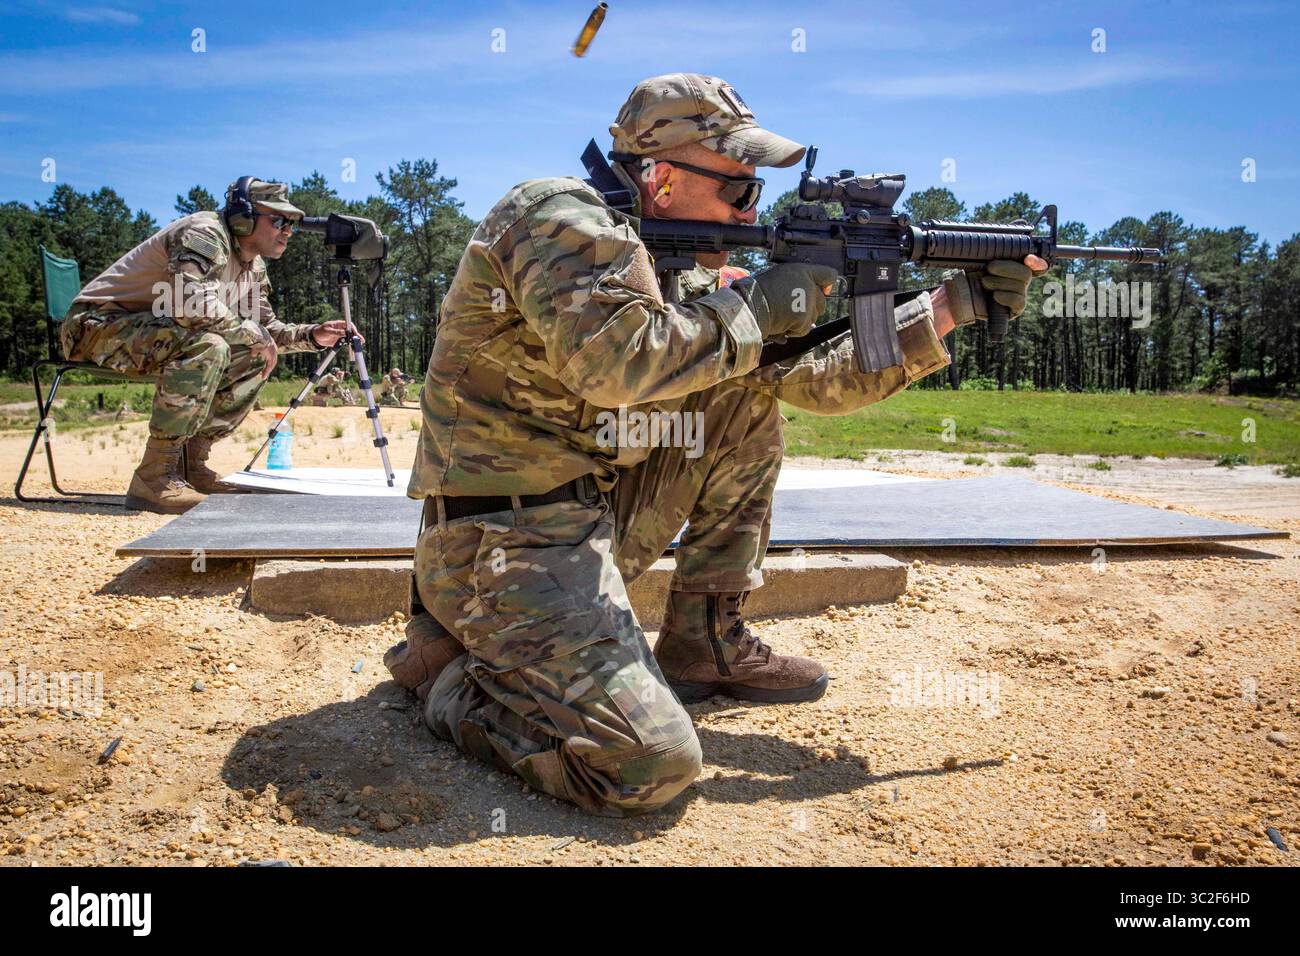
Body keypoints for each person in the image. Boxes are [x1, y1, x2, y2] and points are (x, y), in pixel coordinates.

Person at [384, 74, 1046, 816]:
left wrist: (950, 307)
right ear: (662, 177)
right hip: (502, 540)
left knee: (744, 399)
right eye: (739, 190)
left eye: (756, 191)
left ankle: (704, 639)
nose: (752, 208)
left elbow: (810, 384)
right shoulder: (554, 217)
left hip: (594, 521)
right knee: (647, 765)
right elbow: (616, 363)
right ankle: (449, 676)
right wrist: (763, 303)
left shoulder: (689, 264)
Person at [59, 178, 354, 512]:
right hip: (96, 327)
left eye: (292, 224)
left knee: (251, 355)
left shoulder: (253, 266)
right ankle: (153, 479)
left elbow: (266, 328)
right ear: (243, 217)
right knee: (210, 344)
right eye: (279, 221)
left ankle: (189, 466)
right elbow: (189, 303)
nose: (287, 231)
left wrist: (313, 335)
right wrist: (255, 335)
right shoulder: (204, 233)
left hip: (155, 336)